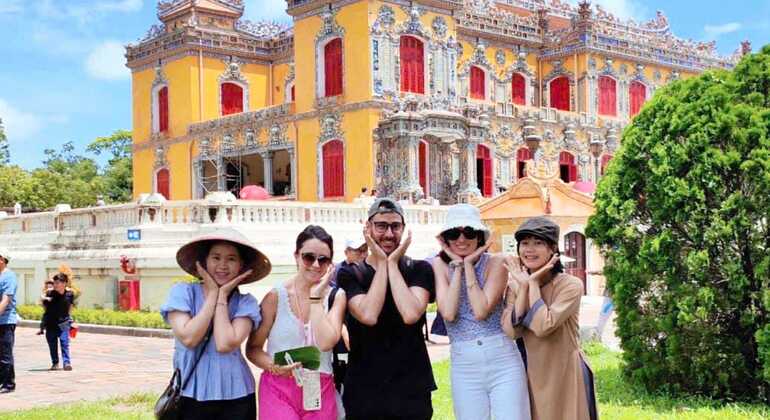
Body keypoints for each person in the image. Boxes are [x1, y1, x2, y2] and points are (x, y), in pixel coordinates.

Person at [336, 198, 436, 420]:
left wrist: (391, 264)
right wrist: (383, 263)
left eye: (395, 226)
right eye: (381, 226)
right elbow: (368, 315)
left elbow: (410, 314)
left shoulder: (419, 269)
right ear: (368, 228)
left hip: (411, 386)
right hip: (364, 386)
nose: (389, 234)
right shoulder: (350, 274)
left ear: (403, 229)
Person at [432, 204, 530, 419]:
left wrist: (468, 266)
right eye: (453, 233)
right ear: (445, 239)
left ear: (479, 237)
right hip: (463, 362)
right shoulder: (439, 265)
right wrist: (458, 267)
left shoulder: (497, 262)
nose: (461, 239)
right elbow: (448, 313)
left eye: (469, 232)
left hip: (502, 358)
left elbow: (481, 310)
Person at [161, 229, 271, 420]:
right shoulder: (182, 293)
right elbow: (189, 338)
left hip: (237, 394)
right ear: (204, 262)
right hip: (189, 392)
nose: (223, 265)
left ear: (241, 266)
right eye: (216, 257)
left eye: (231, 259)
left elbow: (224, 344)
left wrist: (221, 297)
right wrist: (213, 293)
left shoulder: (246, 303)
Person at [501, 217, 598, 420]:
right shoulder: (515, 285)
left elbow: (543, 326)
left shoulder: (570, 285)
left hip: (565, 373)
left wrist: (532, 284)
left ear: (553, 249)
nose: (530, 249)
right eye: (525, 243)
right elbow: (511, 331)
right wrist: (524, 287)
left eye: (538, 243)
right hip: (532, 372)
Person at [247, 225, 345, 419]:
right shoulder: (276, 296)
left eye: (323, 260)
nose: (316, 265)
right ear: (296, 256)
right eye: (309, 257)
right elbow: (253, 348)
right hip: (279, 387)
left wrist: (316, 298)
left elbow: (326, 342)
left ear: (330, 264)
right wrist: (274, 365)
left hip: (319, 388)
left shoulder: (336, 296)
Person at [42, 273, 76, 371]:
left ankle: (67, 363)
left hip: (63, 323)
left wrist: (69, 318)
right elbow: (45, 307)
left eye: (57, 283)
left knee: (65, 343)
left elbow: (70, 306)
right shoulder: (49, 294)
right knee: (52, 344)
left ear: (64, 283)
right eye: (54, 283)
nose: (55, 285)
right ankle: (55, 363)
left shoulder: (70, 294)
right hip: (51, 323)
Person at [0, 247, 17, 393]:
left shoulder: (9, 276)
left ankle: (9, 384)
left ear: (2, 260)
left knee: (5, 354)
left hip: (6, 320)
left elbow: (6, 300)